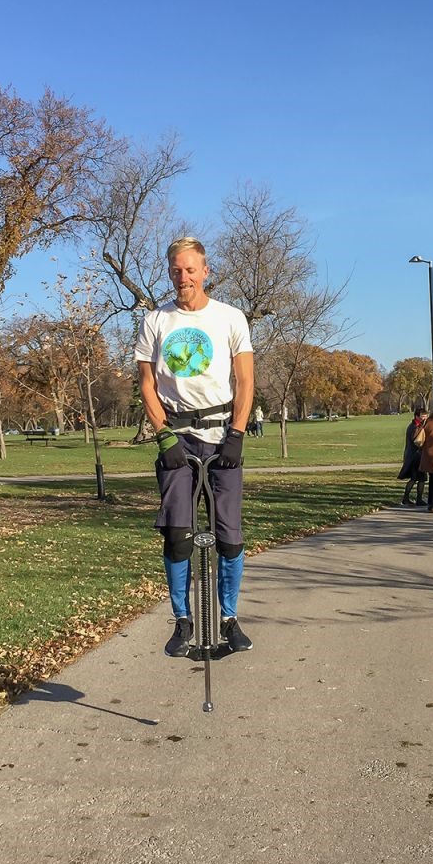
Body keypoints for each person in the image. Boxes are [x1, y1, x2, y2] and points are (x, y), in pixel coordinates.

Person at [136, 236, 255, 658]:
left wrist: (237, 434)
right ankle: (182, 619)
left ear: (206, 271)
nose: (183, 277)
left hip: (222, 434)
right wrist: (164, 435)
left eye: (190, 269)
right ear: (170, 272)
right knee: (178, 536)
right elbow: (147, 384)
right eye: (176, 270)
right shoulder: (155, 321)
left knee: (229, 536)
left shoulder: (230, 318)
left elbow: (245, 382)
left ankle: (229, 619)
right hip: (177, 436)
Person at [396, 404, 427, 507]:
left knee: (418, 478)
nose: (425, 418)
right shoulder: (414, 427)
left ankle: (411, 498)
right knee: (418, 478)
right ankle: (410, 498)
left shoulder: (416, 425)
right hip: (415, 456)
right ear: (417, 416)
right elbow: (416, 440)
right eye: (423, 416)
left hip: (416, 456)